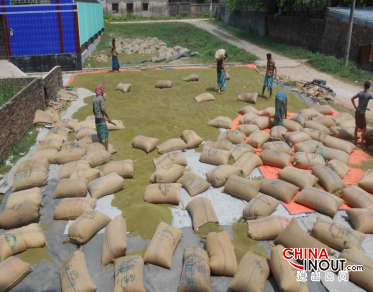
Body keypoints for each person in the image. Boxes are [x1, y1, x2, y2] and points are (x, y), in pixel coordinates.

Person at [351, 81, 373, 145]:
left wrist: (355, 107)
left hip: (357, 111)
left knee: (357, 126)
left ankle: (355, 141)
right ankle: (362, 144)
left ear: (364, 86)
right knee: (364, 128)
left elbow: (352, 98)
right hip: (362, 113)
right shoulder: (369, 95)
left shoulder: (360, 93)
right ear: (369, 87)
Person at [93, 84, 112, 151]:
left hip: (96, 118)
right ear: (100, 91)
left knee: (99, 130)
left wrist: (96, 115)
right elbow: (103, 109)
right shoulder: (101, 98)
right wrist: (108, 117)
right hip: (101, 118)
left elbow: (93, 110)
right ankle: (107, 149)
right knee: (105, 133)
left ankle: (100, 143)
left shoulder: (94, 99)